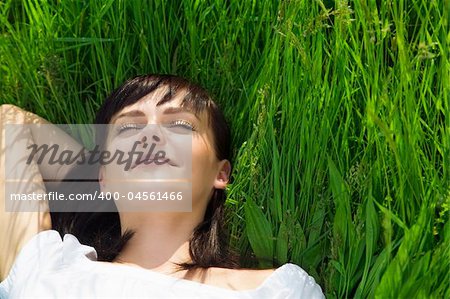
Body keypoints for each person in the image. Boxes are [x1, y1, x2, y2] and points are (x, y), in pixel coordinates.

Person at [0, 74, 325, 298]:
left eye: (181, 125)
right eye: (129, 129)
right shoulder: (46, 267)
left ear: (221, 173)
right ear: (102, 178)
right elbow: (9, 121)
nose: (150, 136)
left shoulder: (279, 290)